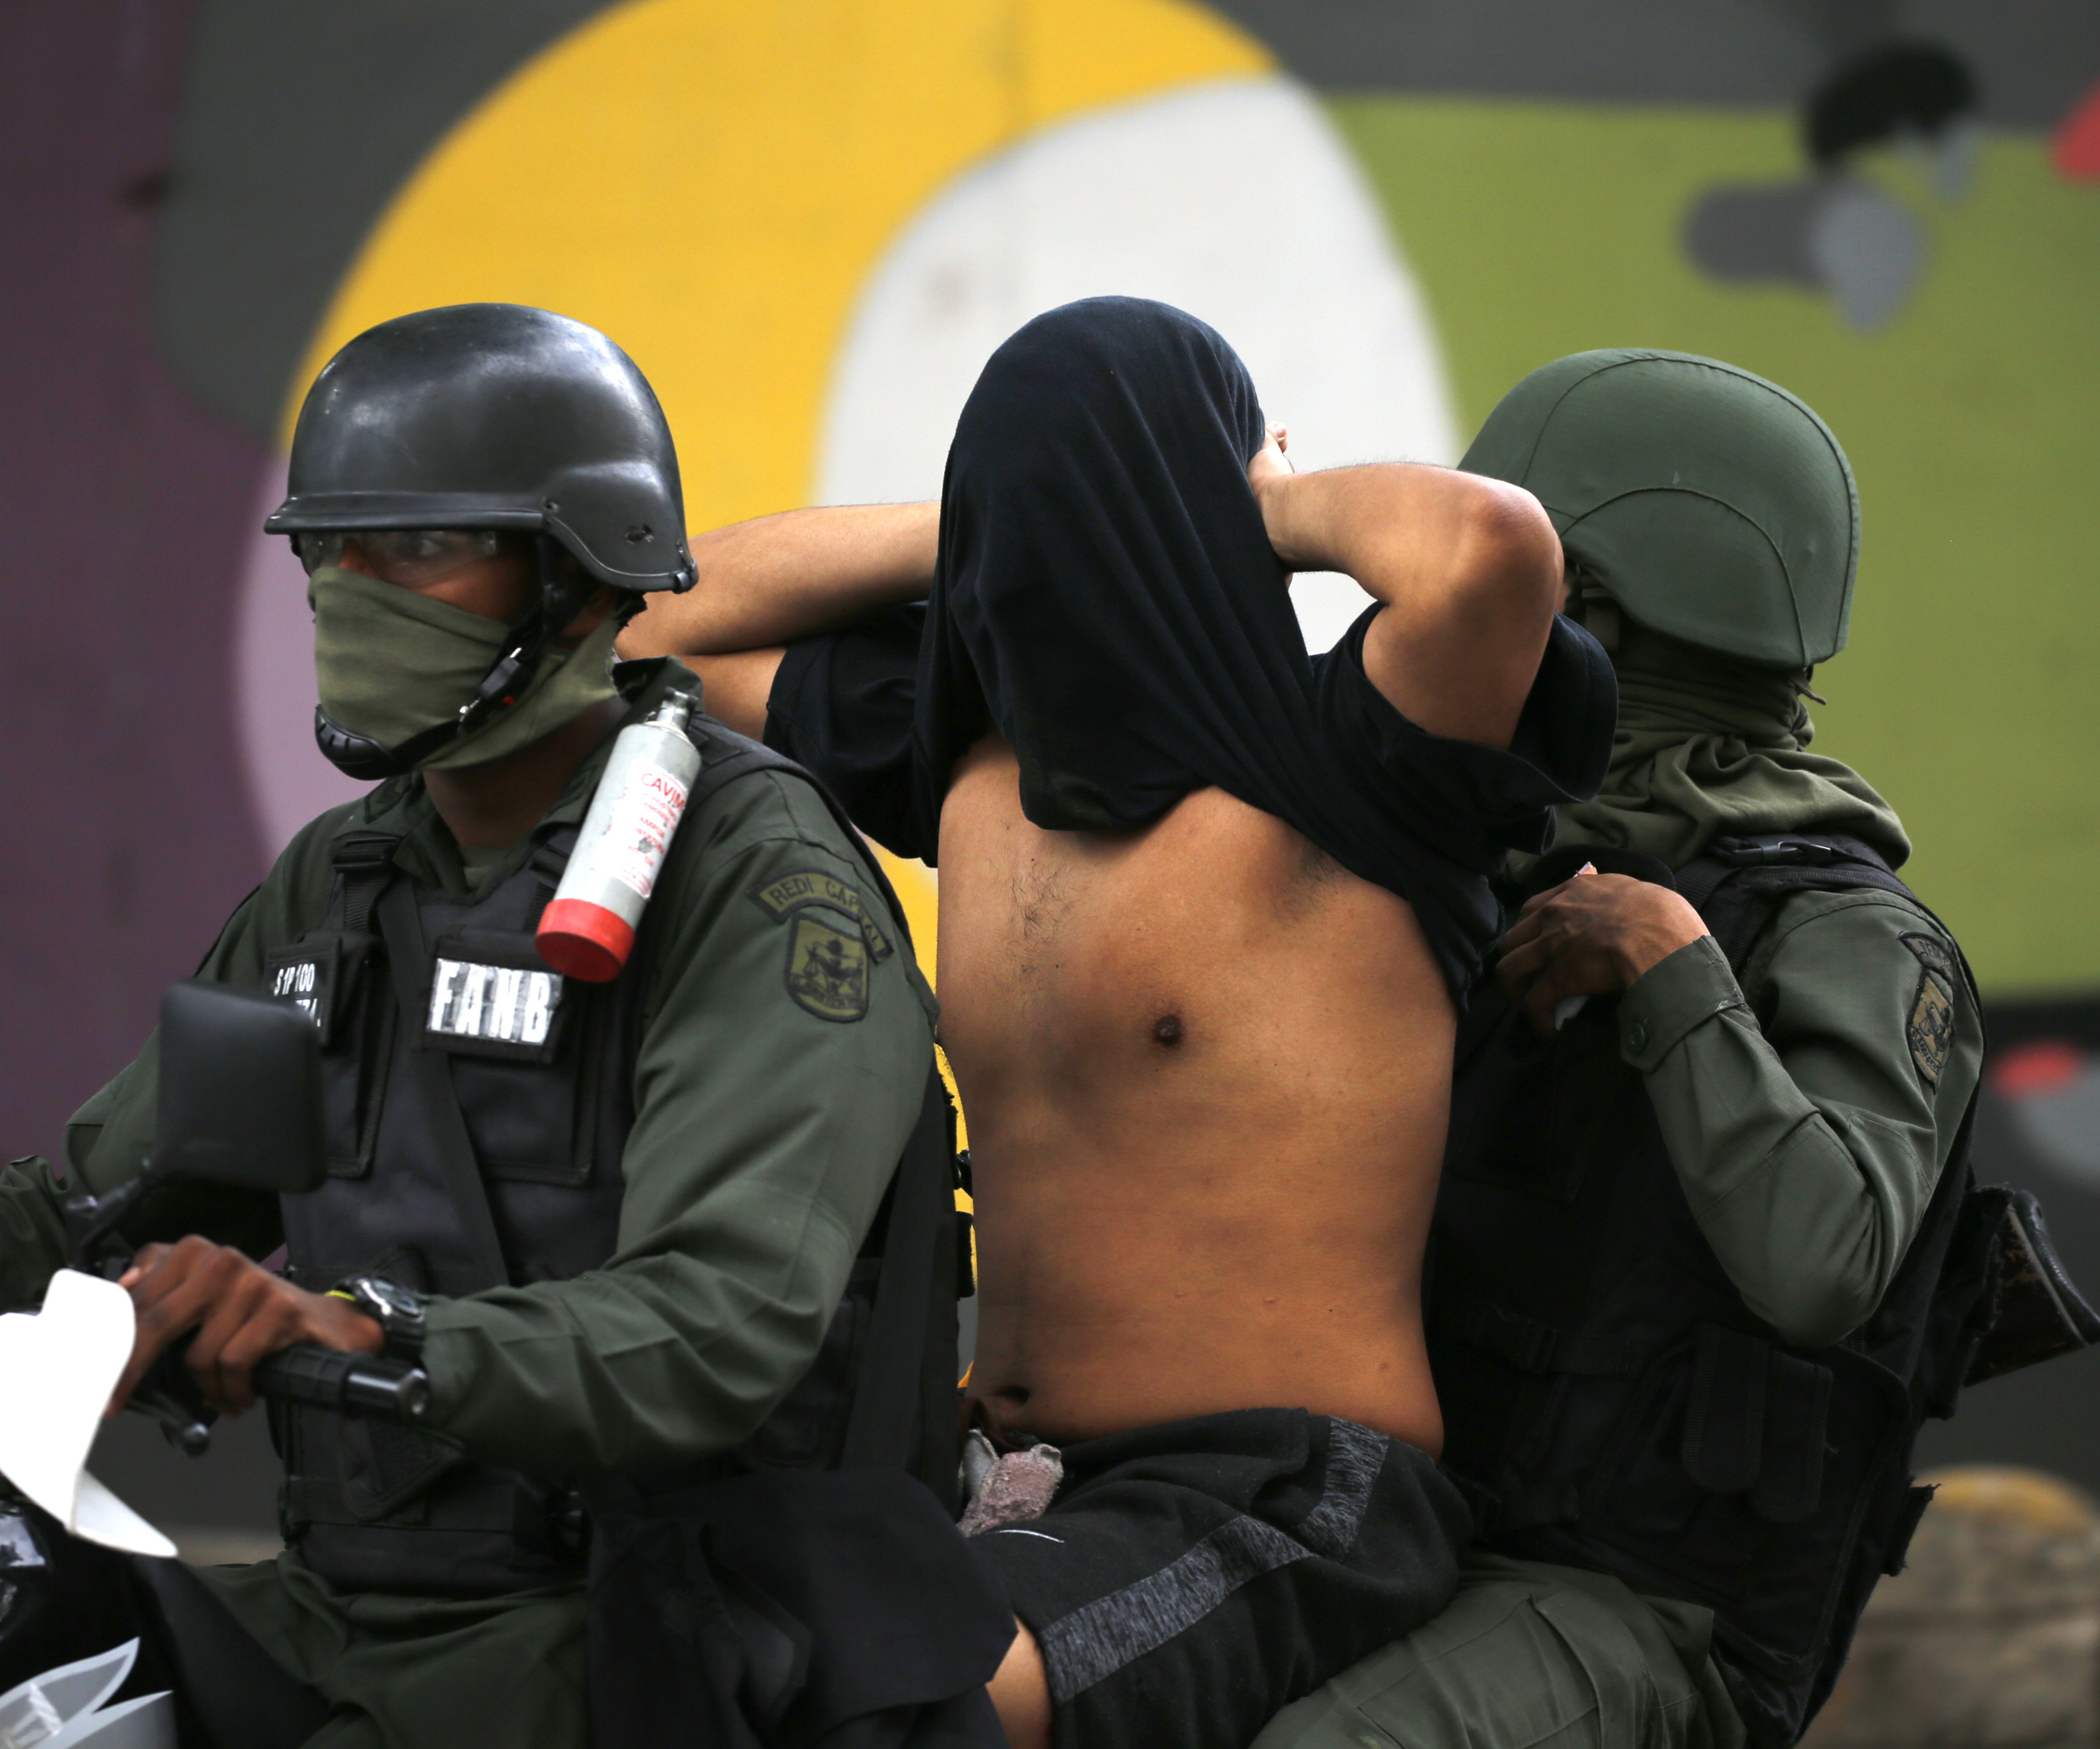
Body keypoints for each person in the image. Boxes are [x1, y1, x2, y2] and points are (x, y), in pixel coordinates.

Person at [0, 303, 976, 1749]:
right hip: (348, 1610)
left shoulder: (751, 874)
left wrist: (360, 1325)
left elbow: (714, 1324)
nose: (348, 593)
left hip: (668, 1634)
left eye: (418, 548)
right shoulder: (344, 879)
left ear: (579, 572)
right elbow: (77, 1212)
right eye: (327, 551)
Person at [617, 296, 1618, 1749]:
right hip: (1009, 1472)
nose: (1044, 575)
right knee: (677, 1617)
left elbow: (1492, 550)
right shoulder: (962, 767)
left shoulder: (1353, 760)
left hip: (1281, 1483)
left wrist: (1255, 502)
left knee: (909, 1703)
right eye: (1021, 534)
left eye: (1091, 512)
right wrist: (997, 512)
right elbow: (648, 623)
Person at [1248, 350, 1991, 1749]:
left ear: (1582, 608)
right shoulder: (1504, 850)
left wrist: (1671, 975)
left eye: (1514, 586)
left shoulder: (1845, 935)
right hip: (1406, 1510)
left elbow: (1821, 1264)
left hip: (1643, 1605)